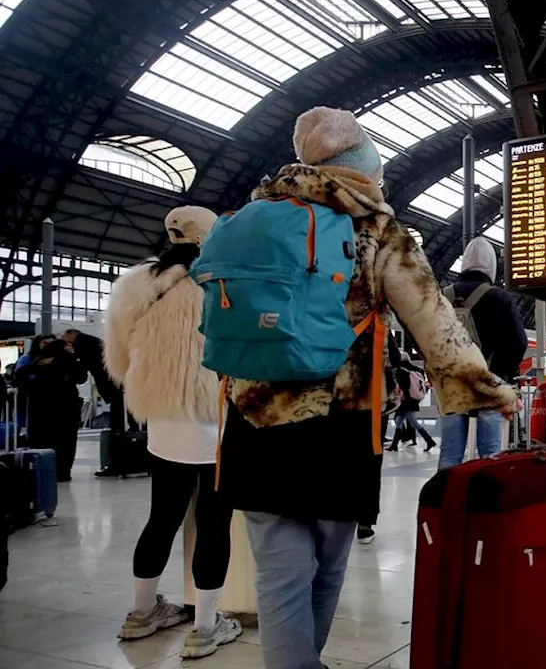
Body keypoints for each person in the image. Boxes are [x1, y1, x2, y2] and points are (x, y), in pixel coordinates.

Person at [215, 107, 518, 669]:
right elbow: (437, 327)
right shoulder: (377, 229)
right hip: (336, 427)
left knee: (279, 578)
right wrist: (491, 391)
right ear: (364, 170)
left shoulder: (252, 216)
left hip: (252, 422)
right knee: (326, 567)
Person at [104, 206, 241, 658]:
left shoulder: (137, 283)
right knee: (213, 522)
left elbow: (119, 359)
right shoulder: (227, 277)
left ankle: (142, 613)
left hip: (162, 416)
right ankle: (205, 626)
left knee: (161, 518)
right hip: (217, 416)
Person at [436, 237, 526, 469]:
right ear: (491, 265)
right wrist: (498, 375)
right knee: (490, 455)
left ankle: (444, 502)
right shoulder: (500, 298)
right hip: (488, 386)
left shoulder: (441, 296)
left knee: (449, 455)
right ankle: (485, 503)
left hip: (452, 387)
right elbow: (518, 343)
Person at [15, 335, 87, 480]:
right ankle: (58, 471)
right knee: (60, 441)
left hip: (52, 408)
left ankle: (52, 470)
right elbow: (81, 376)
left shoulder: (48, 361)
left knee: (54, 440)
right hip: (57, 408)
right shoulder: (42, 361)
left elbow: (20, 376)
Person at [388, 348, 436, 453]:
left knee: (412, 421)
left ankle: (429, 441)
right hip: (414, 399)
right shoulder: (417, 369)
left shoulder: (400, 370)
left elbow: (402, 386)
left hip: (405, 400)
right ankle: (394, 445)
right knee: (399, 420)